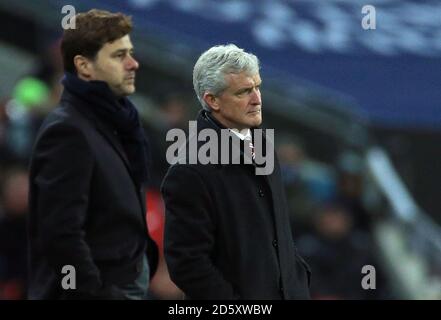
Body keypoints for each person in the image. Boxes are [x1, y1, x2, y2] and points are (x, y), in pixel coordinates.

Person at [161, 44, 311, 299]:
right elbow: (188, 264)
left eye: (257, 87)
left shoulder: (264, 145)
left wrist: (298, 283)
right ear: (212, 100)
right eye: (244, 92)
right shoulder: (190, 169)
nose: (257, 99)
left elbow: (278, 236)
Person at [28, 9, 157, 299]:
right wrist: (93, 291)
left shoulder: (116, 123)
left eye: (131, 53)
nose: (133, 64)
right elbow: (60, 234)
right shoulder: (69, 131)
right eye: (118, 56)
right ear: (85, 67)